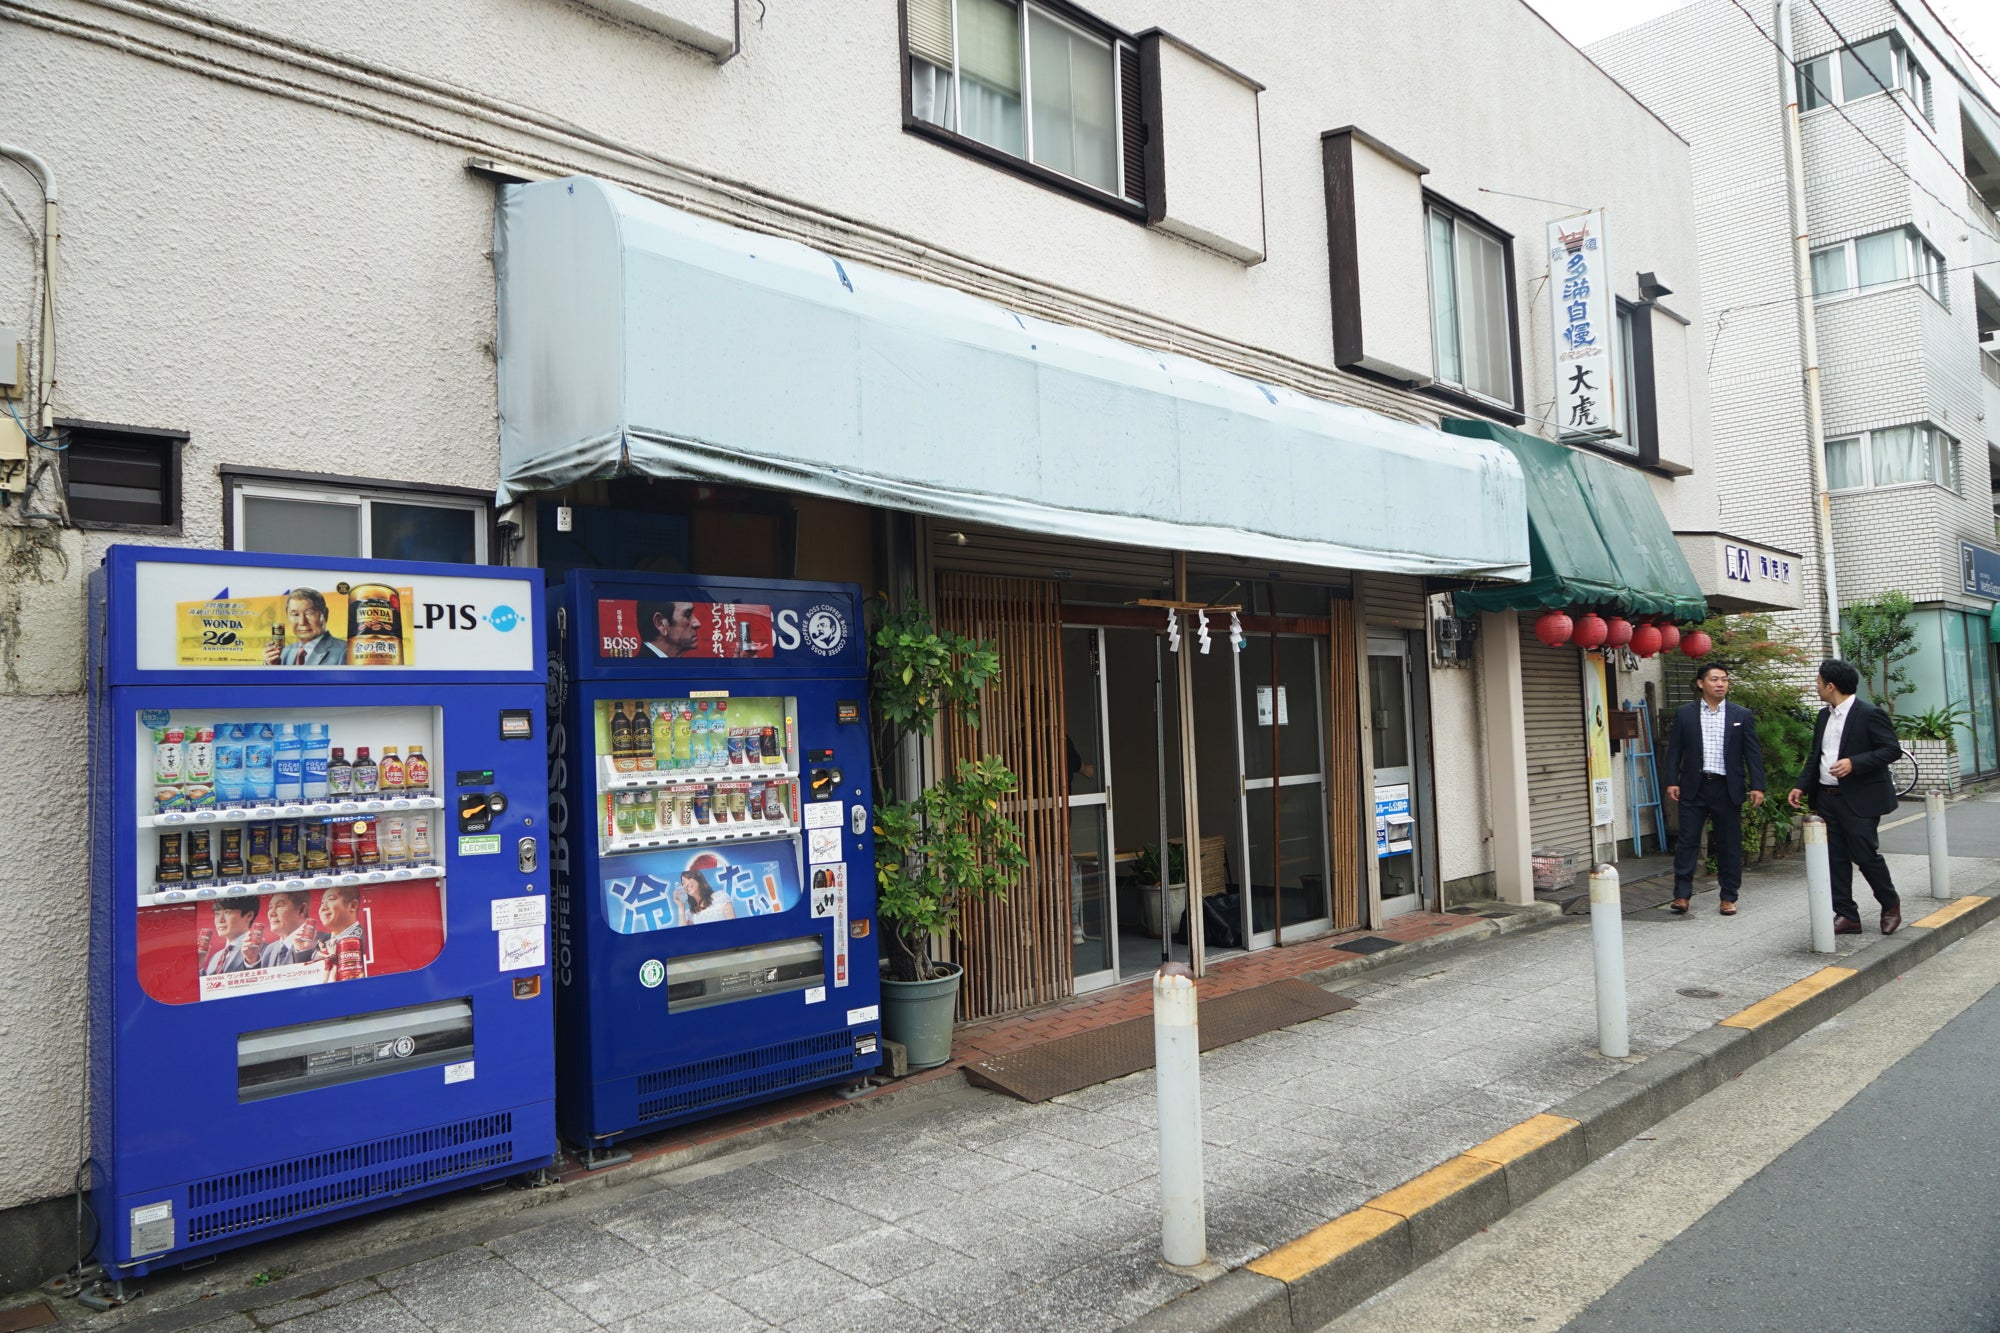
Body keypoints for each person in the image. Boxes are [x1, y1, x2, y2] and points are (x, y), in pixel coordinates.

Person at [1788, 659, 1904, 936]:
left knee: (1865, 855)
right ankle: (1847, 915)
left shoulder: (1869, 714)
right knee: (1835, 858)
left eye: (1818, 682)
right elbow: (1817, 756)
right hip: (1826, 797)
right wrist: (1801, 786)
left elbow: (1892, 749)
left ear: (1831, 686)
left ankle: (1890, 904)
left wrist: (1854, 762)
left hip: (1860, 798)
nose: (1816, 687)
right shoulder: (1823, 716)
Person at [1663, 663, 1766, 915]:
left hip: (1727, 787)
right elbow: (1674, 750)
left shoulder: (1741, 715)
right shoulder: (1685, 714)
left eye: (1725, 679)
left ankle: (1728, 896)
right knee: (1687, 841)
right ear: (1701, 683)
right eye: (1714, 679)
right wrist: (1672, 781)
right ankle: (1681, 895)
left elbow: (1752, 753)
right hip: (1694, 786)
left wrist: (1758, 786)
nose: (1721, 684)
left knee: (1729, 844)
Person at [265, 587, 348, 666]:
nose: (302, 622)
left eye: (309, 613)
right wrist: (271, 666)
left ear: (325, 614)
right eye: (295, 614)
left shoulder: (345, 651)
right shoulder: (285, 651)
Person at [202, 897, 264, 975]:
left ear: (249, 916)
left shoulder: (262, 949)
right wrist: (199, 966)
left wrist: (252, 961)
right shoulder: (216, 957)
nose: (220, 920)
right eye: (217, 914)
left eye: (227, 912)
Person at [258, 891, 321, 967]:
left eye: (279, 906)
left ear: (302, 910)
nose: (271, 913)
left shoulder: (324, 941)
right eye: (270, 907)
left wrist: (304, 952)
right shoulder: (270, 949)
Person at [316, 882, 366, 977]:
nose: (323, 908)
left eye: (331, 899)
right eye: (322, 903)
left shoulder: (366, 939)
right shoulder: (320, 942)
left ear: (352, 905)